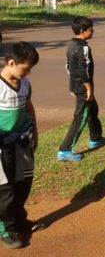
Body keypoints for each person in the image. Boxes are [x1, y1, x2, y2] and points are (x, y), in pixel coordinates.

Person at [0, 42, 40, 249]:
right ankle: (5, 229)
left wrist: (34, 131)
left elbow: (28, 107)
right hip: (1, 148)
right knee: (4, 191)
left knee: (23, 184)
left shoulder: (24, 84)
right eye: (26, 68)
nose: (29, 73)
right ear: (11, 62)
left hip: (21, 143)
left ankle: (18, 220)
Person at [57, 17, 105, 162]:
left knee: (92, 111)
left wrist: (72, 86)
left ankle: (95, 139)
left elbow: (68, 66)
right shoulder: (83, 48)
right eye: (91, 29)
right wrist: (88, 88)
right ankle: (64, 150)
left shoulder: (71, 45)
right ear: (83, 31)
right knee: (80, 117)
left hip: (77, 86)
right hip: (84, 88)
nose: (93, 31)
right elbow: (84, 70)